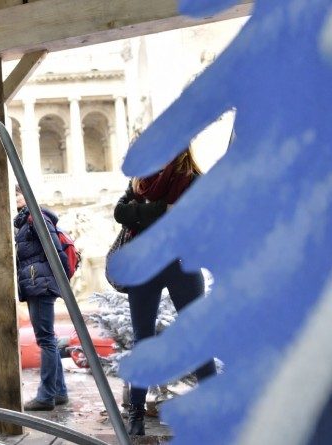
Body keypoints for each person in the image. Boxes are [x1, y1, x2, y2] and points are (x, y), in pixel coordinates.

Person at [113, 148, 216, 436]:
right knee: (142, 341)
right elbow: (120, 212)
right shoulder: (140, 179)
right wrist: (161, 210)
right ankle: (136, 413)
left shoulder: (192, 179)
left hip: (182, 264)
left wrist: (142, 214)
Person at [13, 186, 69, 411]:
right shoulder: (24, 221)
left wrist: (56, 283)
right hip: (37, 283)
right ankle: (60, 391)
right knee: (47, 338)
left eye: (16, 194)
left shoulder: (36, 218)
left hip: (41, 284)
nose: (13, 198)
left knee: (45, 339)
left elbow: (56, 252)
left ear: (25, 196)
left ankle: (46, 395)